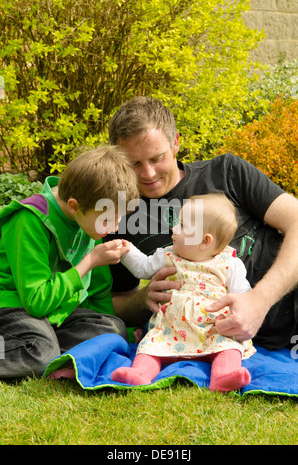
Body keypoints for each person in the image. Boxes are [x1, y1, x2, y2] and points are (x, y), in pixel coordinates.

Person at [105, 96, 298, 351]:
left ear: (175, 143)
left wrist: (258, 302)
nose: (148, 173)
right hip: (226, 342)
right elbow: (119, 299)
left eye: (157, 158)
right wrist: (143, 298)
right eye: (134, 164)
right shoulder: (121, 215)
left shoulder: (226, 172)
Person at [0, 145, 139, 379]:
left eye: (118, 219)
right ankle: (42, 349)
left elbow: (98, 290)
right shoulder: (29, 221)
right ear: (74, 206)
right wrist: (90, 261)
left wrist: (116, 334)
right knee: (41, 354)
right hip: (13, 306)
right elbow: (36, 302)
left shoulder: (87, 219)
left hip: (53, 314)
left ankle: (48, 347)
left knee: (113, 330)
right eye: (108, 220)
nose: (114, 228)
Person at [111, 194, 255, 391]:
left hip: (212, 330)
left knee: (229, 348)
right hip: (172, 329)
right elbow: (143, 267)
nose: (174, 229)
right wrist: (127, 250)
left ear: (205, 241)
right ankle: (140, 373)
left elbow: (243, 295)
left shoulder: (229, 263)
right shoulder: (168, 255)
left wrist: (236, 316)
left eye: (182, 226)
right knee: (150, 346)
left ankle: (224, 376)